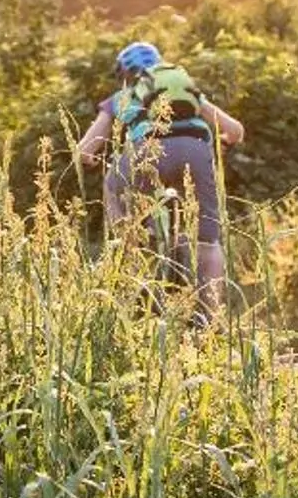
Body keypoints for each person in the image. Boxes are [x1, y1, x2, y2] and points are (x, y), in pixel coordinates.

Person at [74, 41, 246, 318]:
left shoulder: (121, 97)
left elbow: (84, 150)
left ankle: (131, 267)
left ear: (124, 74)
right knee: (207, 239)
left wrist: (90, 160)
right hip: (196, 151)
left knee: (112, 189)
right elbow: (235, 130)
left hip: (146, 153)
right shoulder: (186, 92)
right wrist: (224, 141)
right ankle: (211, 319)